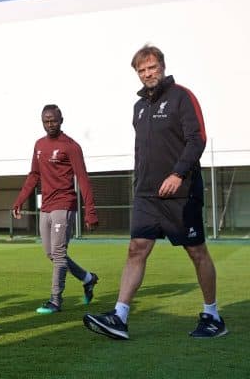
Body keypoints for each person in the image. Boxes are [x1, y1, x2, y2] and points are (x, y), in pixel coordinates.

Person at [83, 45, 227, 339]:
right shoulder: (139, 107)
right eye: (141, 70)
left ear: (162, 66)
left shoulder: (182, 97)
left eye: (152, 67)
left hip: (181, 193)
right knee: (137, 249)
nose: (148, 74)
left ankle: (212, 315)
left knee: (196, 251)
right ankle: (120, 317)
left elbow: (197, 139)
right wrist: (140, 185)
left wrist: (178, 173)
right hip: (147, 195)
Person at [12, 104, 99, 315]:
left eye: (53, 120)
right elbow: (34, 175)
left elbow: (83, 179)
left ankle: (55, 300)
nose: (50, 124)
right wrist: (20, 200)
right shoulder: (39, 144)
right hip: (47, 206)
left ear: (61, 120)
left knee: (59, 254)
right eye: (46, 121)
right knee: (51, 253)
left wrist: (90, 211)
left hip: (64, 204)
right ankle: (88, 278)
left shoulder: (71, 146)